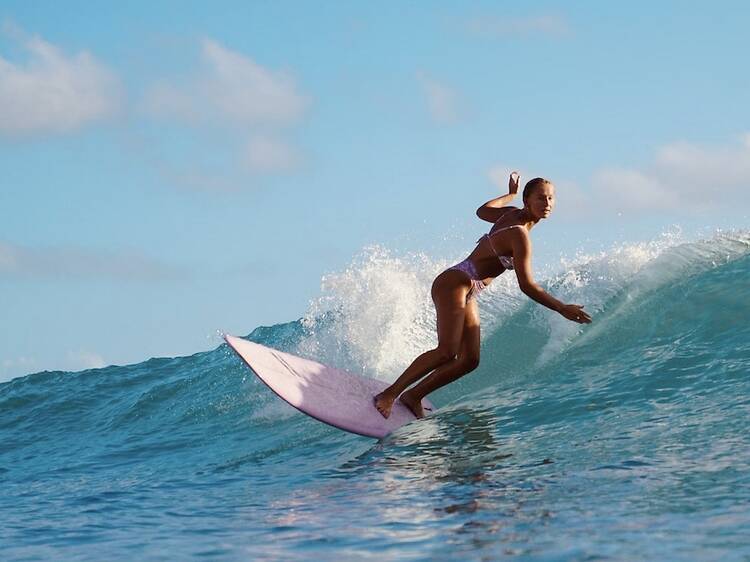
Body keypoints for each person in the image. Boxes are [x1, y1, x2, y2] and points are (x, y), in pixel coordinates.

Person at [373, 172, 592, 419]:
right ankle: (389, 393)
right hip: (456, 282)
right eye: (541, 198)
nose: (547, 203)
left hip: (469, 288)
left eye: (551, 198)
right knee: (447, 351)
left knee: (469, 360)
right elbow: (527, 285)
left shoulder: (510, 215)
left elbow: (483, 210)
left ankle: (414, 395)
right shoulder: (519, 233)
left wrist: (508, 195)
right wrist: (562, 308)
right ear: (527, 200)